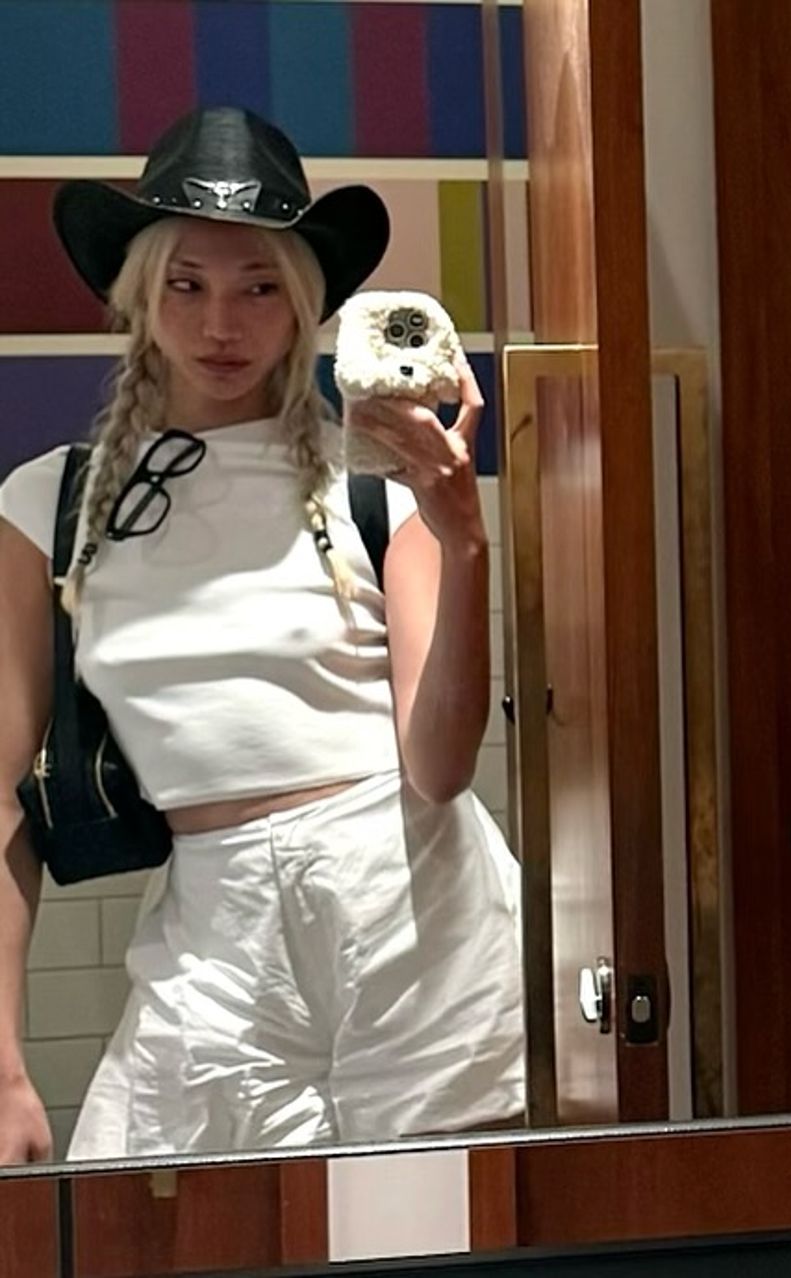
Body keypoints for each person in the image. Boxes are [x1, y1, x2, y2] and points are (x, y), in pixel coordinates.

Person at [0, 107, 524, 1163]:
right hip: (215, 920)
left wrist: (463, 541)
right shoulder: (48, 506)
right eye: (186, 285)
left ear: (303, 306)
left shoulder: (377, 489)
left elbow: (439, 768)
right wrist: (2, 1062)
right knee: (145, 1217)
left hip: (414, 905)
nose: (220, 325)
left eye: (259, 288)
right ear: (138, 296)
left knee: (424, 1228)